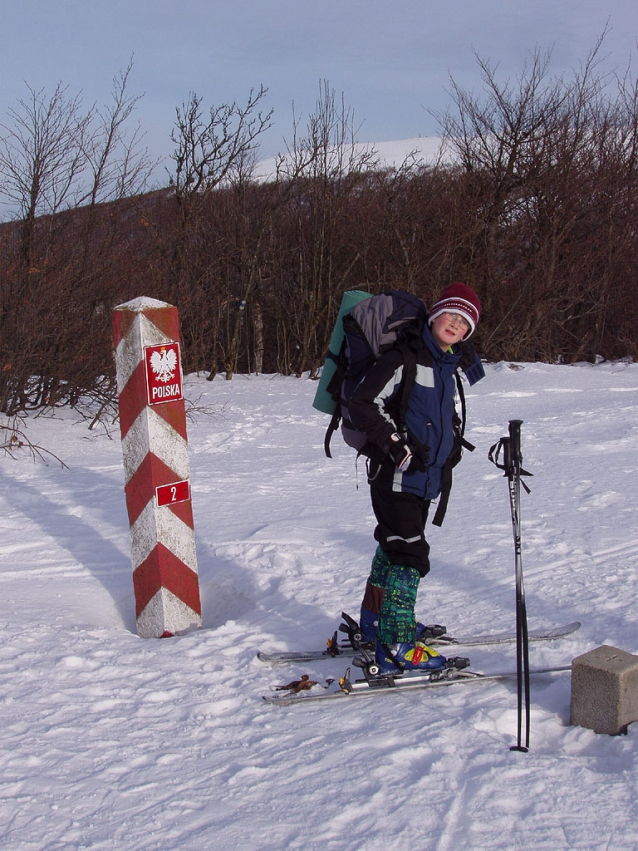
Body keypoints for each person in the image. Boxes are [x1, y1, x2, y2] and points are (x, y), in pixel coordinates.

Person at [347, 282, 482, 675]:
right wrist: (396, 445)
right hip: (395, 477)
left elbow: (439, 417)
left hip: (424, 481)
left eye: (464, 322)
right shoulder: (404, 359)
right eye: (451, 316)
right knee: (409, 555)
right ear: (435, 315)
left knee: (392, 549)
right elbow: (362, 404)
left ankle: (375, 622)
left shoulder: (448, 367)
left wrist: (451, 445)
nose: (455, 325)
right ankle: (397, 641)